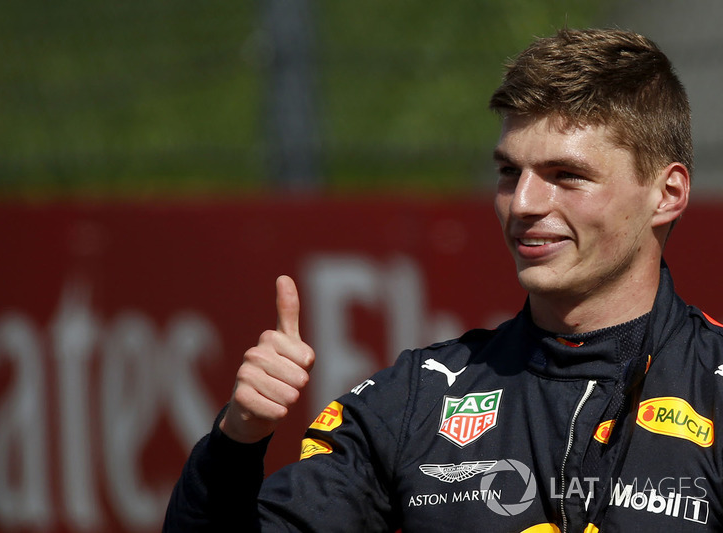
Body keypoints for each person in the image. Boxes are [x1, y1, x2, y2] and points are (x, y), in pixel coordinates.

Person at [163, 28, 721, 532]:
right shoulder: (415, 397)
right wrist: (236, 441)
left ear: (667, 194)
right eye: (509, 172)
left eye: (565, 176)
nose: (522, 203)